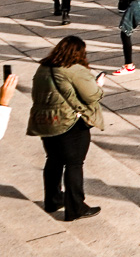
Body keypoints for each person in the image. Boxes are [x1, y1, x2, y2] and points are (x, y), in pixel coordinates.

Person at [28, 35, 103, 220]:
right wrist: (99, 85)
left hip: (45, 121)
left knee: (53, 159)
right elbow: (92, 95)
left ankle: (53, 199)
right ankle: (76, 208)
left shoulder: (43, 68)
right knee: (74, 164)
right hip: (70, 124)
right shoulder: (74, 69)